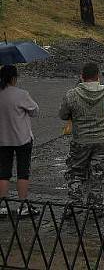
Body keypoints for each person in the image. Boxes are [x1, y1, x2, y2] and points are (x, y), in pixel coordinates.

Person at [58, 63, 104, 211]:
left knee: (76, 172)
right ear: (98, 76)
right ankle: (95, 205)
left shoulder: (72, 94)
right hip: (102, 139)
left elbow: (63, 115)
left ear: (82, 77)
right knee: (97, 172)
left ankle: (75, 204)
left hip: (80, 140)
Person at [0, 64, 39, 218]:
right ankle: (23, 206)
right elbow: (35, 111)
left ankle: (3, 206)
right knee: (23, 172)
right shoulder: (21, 94)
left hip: (2, 139)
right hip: (22, 139)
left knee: (3, 173)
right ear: (14, 78)